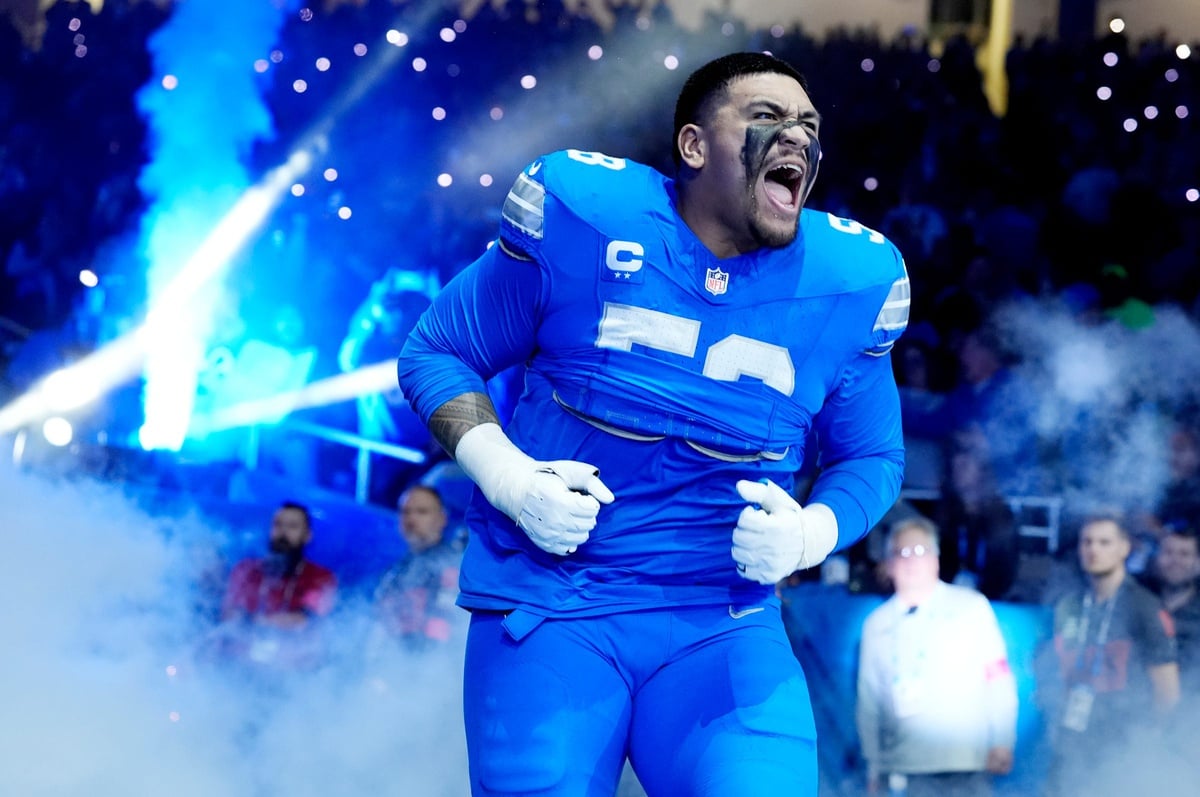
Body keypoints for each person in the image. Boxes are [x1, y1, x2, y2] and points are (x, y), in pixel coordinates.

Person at [396, 51, 910, 796]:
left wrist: (811, 533)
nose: (795, 136)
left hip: (721, 618)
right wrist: (509, 478)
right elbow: (437, 350)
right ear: (695, 146)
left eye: (807, 124)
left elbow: (873, 456)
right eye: (766, 118)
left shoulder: (850, 280)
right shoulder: (585, 215)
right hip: (553, 603)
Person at [856, 516, 1018, 797]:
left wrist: (1002, 741)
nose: (911, 560)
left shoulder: (971, 607)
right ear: (889, 564)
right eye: (902, 553)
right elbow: (869, 701)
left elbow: (998, 681)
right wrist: (873, 765)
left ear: (936, 559)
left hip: (965, 762)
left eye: (920, 551)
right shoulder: (876, 624)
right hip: (903, 765)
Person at [1042, 513, 1181, 797]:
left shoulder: (1143, 607)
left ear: (1124, 548)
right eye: (1087, 542)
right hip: (1071, 738)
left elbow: (1168, 691)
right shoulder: (1069, 605)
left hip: (1119, 742)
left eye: (1105, 542)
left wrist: (1146, 739)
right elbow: (1060, 672)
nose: (1093, 550)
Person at [215, 500, 338, 669]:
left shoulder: (321, 577)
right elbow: (228, 616)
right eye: (277, 525)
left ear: (308, 536)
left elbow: (308, 621)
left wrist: (254, 621)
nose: (283, 532)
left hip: (291, 669)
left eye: (292, 526)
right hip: (238, 665)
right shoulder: (246, 569)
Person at [373, 484, 464, 652]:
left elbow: (447, 621)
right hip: (393, 665)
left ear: (442, 519)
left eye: (422, 511)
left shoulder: (453, 565)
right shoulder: (393, 572)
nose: (411, 519)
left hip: (433, 666)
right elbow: (379, 622)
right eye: (405, 512)